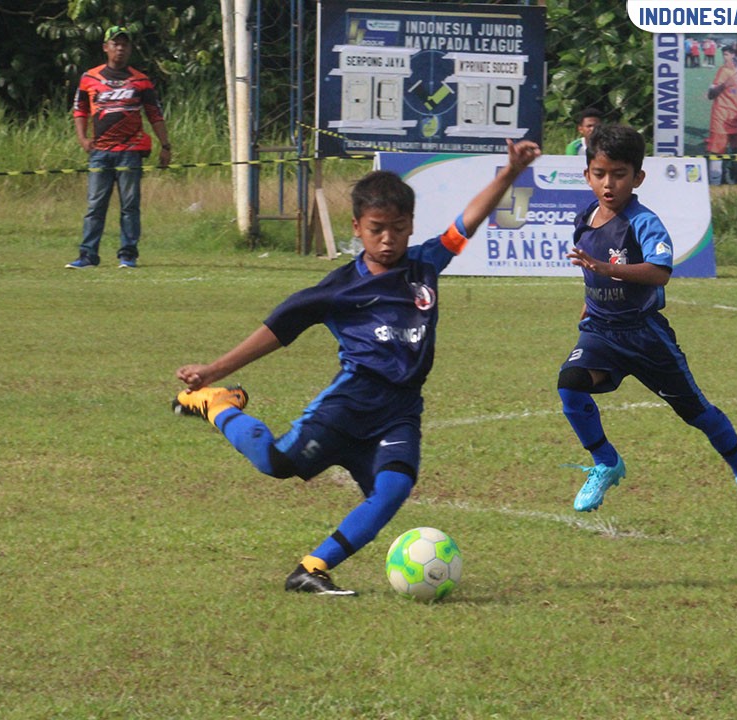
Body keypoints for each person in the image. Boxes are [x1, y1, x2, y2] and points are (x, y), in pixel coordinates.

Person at [171, 139, 542, 596]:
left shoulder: (425, 264)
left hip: (401, 409)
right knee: (275, 463)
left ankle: (312, 569)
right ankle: (217, 406)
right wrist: (214, 372)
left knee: (392, 489)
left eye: (398, 228)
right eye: (376, 229)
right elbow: (277, 330)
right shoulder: (337, 290)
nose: (388, 239)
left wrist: (509, 172)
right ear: (357, 228)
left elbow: (469, 217)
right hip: (349, 405)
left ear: (410, 227)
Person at [555, 124, 737, 527]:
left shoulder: (643, 222)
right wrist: (588, 305)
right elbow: (593, 276)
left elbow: (659, 272)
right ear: (587, 175)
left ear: (637, 178)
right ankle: (606, 463)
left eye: (619, 175)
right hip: (600, 332)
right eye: (600, 174)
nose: (608, 184)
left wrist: (606, 268)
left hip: (644, 337)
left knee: (698, 414)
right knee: (570, 384)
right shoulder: (585, 217)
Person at [66, 25, 171, 269]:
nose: (120, 49)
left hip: (130, 152)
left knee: (130, 206)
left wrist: (165, 145)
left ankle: (128, 255)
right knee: (95, 206)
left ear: (130, 49)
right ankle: (88, 255)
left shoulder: (141, 80)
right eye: (115, 44)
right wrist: (82, 139)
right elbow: (80, 110)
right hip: (100, 152)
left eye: (125, 44)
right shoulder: (89, 78)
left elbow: (155, 114)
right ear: (106, 48)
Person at [705, 38, 737, 184]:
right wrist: (724, 85)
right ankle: (714, 186)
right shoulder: (725, 70)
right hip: (721, 118)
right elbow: (710, 94)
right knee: (718, 152)